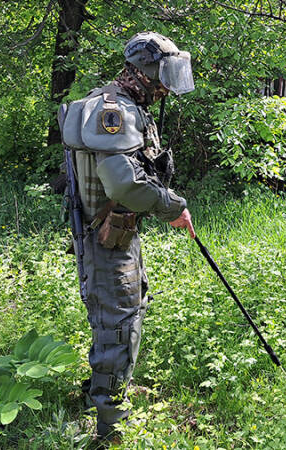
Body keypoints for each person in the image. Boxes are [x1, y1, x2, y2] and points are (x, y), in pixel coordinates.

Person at [57, 31, 196, 441]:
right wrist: (173, 206)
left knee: (126, 312)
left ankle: (101, 393)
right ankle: (109, 425)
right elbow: (123, 186)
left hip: (117, 234)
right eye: (165, 73)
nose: (169, 84)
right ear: (146, 70)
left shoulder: (131, 104)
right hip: (106, 238)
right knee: (119, 325)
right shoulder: (112, 110)